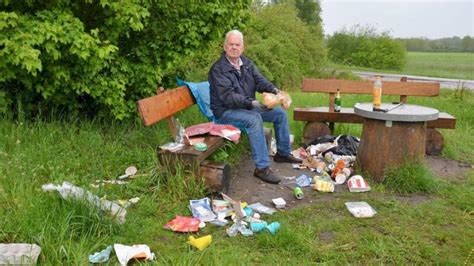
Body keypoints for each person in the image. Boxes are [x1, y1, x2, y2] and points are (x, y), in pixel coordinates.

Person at [208, 29, 302, 184]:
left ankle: (283, 153)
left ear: (242, 47)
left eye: (237, 44)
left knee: (279, 113)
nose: (234, 47)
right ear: (225, 46)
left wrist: (276, 91)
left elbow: (260, 81)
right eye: (231, 44)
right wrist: (252, 103)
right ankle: (262, 168)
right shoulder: (218, 69)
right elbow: (229, 97)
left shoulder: (247, 64)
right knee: (254, 119)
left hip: (246, 107)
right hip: (226, 111)